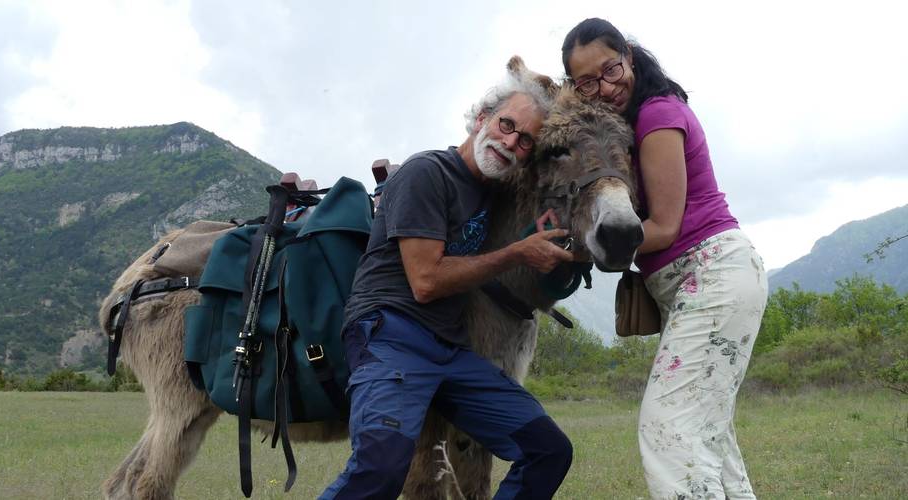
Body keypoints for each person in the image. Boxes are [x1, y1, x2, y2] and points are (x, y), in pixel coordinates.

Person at [319, 74, 575, 499]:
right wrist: (517, 252)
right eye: (506, 125)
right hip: (389, 334)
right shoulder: (427, 172)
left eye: (526, 140)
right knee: (380, 469)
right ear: (480, 118)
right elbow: (425, 281)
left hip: (448, 350)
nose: (512, 142)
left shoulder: (490, 193)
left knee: (548, 449)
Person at [561, 18, 768, 500]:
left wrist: (576, 252)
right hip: (712, 279)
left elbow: (664, 227)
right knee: (709, 435)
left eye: (610, 71)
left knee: (666, 429)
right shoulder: (633, 122)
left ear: (629, 57)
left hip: (711, 272)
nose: (604, 89)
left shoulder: (655, 114)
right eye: (585, 83)